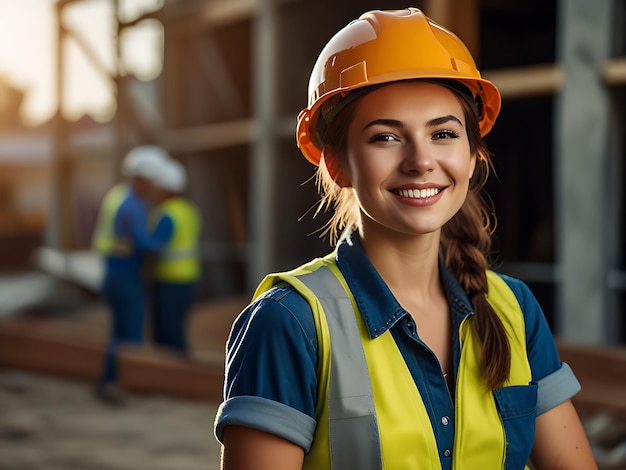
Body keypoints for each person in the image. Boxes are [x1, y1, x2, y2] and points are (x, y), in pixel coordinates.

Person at [214, 8, 597, 470]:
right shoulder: (289, 323)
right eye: (385, 138)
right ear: (336, 164)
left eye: (443, 133)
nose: (420, 160)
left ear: (472, 155)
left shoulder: (513, 310)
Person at [93, 144, 171, 405]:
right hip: (126, 276)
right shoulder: (133, 206)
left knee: (118, 334)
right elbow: (142, 242)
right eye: (152, 182)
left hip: (113, 273)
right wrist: (164, 242)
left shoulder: (118, 195)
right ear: (142, 179)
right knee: (130, 336)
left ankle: (107, 382)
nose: (154, 188)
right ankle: (118, 385)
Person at [148, 158, 202, 358]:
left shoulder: (166, 214)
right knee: (177, 326)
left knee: (167, 331)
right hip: (189, 277)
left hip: (169, 278)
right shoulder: (190, 210)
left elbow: (154, 247)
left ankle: (172, 372)